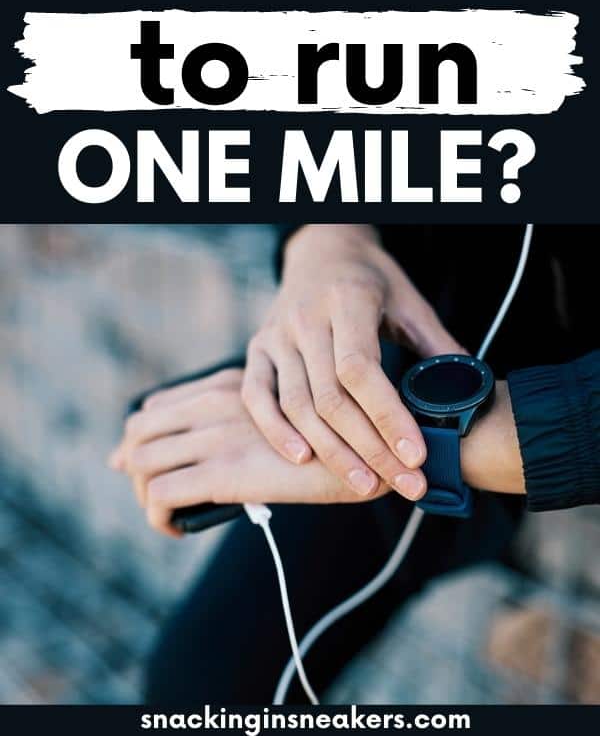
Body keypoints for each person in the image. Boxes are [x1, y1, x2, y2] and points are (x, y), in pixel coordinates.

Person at [109, 224, 600, 703]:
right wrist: (328, 242)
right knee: (201, 692)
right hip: (412, 332)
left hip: (481, 416)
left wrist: (396, 447)